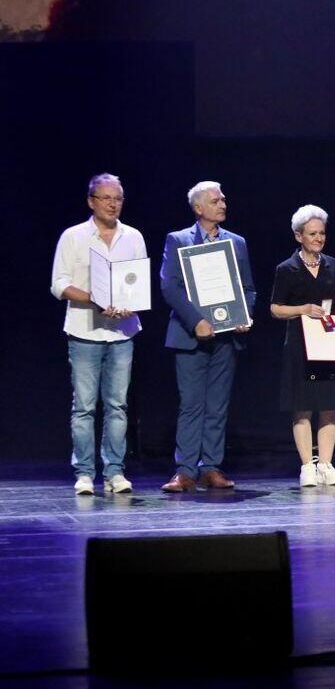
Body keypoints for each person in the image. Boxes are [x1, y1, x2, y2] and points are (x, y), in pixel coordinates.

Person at [51, 173, 147, 495]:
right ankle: (84, 473)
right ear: (91, 201)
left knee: (117, 406)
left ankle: (114, 472)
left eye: (118, 198)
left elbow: (137, 281)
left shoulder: (133, 237)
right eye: (106, 198)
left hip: (122, 333)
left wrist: (131, 305)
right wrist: (94, 299)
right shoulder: (73, 236)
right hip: (84, 331)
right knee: (84, 407)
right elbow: (59, 284)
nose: (112, 204)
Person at [159, 181, 256, 492]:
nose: (223, 204)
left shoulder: (236, 242)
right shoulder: (178, 240)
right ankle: (185, 470)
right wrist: (197, 320)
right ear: (198, 208)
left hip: (226, 338)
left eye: (223, 199)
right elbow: (170, 286)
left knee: (217, 405)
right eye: (215, 200)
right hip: (191, 336)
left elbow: (248, 289)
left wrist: (243, 315)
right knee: (191, 405)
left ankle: (210, 467)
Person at [269, 205, 335, 487]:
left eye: (322, 233)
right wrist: (303, 309)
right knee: (303, 406)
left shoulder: (334, 265)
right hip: (299, 344)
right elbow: (275, 309)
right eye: (312, 234)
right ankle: (308, 465)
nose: (319, 238)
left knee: (329, 405)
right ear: (299, 236)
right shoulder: (287, 269)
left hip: (328, 342)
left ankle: (326, 464)